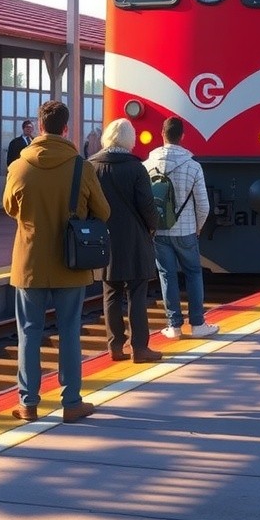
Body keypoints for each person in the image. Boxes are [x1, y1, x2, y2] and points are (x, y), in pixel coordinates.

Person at [3, 100, 110, 423]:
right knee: (69, 331)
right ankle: (72, 401)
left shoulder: (19, 166)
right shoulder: (81, 166)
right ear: (65, 129)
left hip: (30, 262)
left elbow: (9, 206)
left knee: (29, 333)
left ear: (38, 126)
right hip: (71, 262)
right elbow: (104, 212)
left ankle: (28, 403)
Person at [89, 118, 162, 363]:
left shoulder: (92, 166)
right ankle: (140, 348)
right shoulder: (136, 168)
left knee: (110, 292)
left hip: (104, 238)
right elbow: (147, 205)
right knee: (137, 293)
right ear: (129, 140)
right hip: (134, 239)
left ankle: (115, 346)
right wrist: (154, 226)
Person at [144, 116, 219, 340]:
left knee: (167, 276)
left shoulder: (147, 165)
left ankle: (174, 326)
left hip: (159, 231)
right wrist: (197, 227)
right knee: (194, 273)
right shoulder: (192, 166)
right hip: (186, 231)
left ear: (162, 134)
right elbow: (203, 205)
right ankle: (197, 324)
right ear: (182, 136)